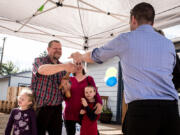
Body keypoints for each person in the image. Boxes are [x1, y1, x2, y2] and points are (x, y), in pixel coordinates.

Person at [70, 2, 180, 135]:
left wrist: (80, 56)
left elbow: (96, 55)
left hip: (142, 111)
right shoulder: (168, 44)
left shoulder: (126, 39)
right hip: (170, 111)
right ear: (153, 22)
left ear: (133, 19)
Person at [31, 40, 77, 135]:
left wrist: (66, 87)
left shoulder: (64, 69)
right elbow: (42, 70)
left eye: (60, 49)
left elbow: (67, 95)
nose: (58, 50)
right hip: (40, 107)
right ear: (48, 49)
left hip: (57, 108)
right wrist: (64, 66)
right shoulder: (39, 60)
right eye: (55, 48)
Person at [61, 61, 102, 135]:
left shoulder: (89, 79)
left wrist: (99, 103)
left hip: (84, 112)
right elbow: (65, 97)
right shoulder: (69, 79)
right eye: (76, 64)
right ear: (73, 66)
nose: (78, 65)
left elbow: (96, 93)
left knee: (93, 132)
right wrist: (65, 91)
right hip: (70, 113)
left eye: (80, 63)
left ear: (83, 65)